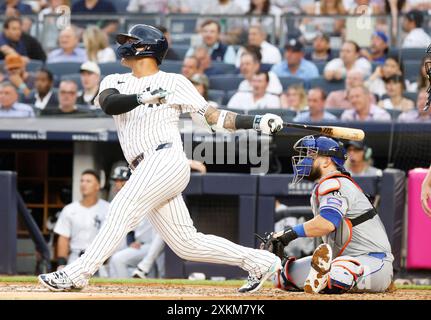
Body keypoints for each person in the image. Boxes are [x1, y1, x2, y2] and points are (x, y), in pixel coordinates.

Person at [38, 24, 284, 293]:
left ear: (147, 47)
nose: (125, 44)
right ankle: (260, 261)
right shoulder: (114, 80)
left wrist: (256, 121)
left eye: (132, 41)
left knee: (122, 207)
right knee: (187, 244)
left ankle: (77, 273)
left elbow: (213, 118)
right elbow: (109, 104)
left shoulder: (174, 82)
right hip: (143, 168)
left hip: (165, 158)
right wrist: (143, 97)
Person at [260, 135, 393, 294]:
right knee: (282, 277)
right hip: (336, 261)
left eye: (311, 155)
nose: (305, 160)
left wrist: (287, 235)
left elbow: (326, 223)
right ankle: (324, 279)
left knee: (341, 274)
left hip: (373, 261)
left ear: (326, 161)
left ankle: (327, 279)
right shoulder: (325, 184)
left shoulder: (335, 184)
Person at [53, 169, 110, 270]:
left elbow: (112, 236)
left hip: (100, 261)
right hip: (75, 258)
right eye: (82, 181)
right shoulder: (69, 209)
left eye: (88, 181)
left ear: (97, 186)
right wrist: (61, 263)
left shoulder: (108, 208)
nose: (84, 184)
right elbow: (63, 238)